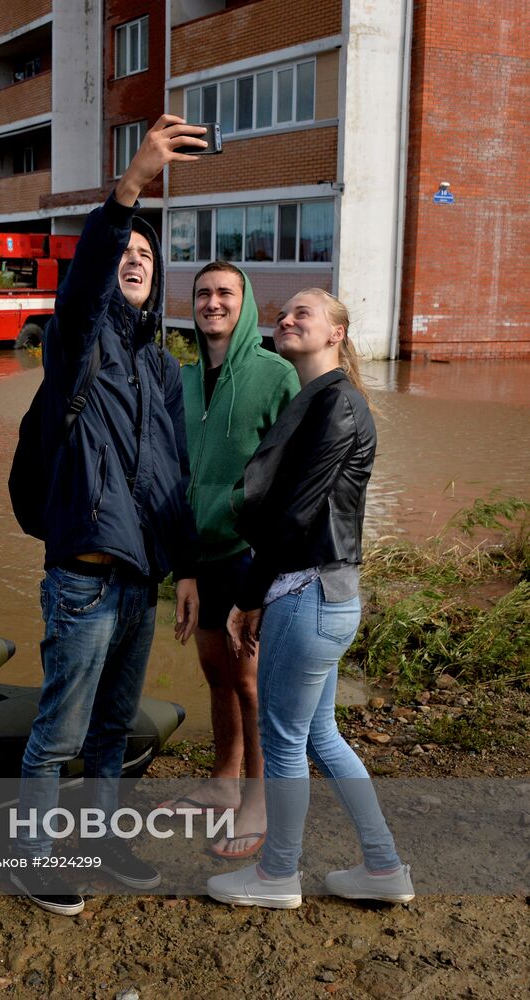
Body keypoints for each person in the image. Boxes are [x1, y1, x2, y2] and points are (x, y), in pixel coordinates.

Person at [11, 114, 203, 915]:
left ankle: (102, 843)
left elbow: (169, 475)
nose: (133, 261)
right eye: (127, 252)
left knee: (113, 734)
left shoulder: (160, 364)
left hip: (139, 585)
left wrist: (186, 565)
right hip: (85, 581)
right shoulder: (76, 342)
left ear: (158, 279)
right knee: (58, 733)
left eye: (146, 257)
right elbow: (85, 282)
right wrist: (129, 191)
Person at [206, 289, 414, 909]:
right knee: (321, 734)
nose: (287, 318)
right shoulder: (322, 399)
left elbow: (295, 516)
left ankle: (276, 876)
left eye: (305, 313)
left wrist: (248, 597)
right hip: (327, 594)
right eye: (285, 312)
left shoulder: (336, 405)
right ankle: (383, 867)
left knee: (286, 739)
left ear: (337, 335)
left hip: (308, 591)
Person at [165, 263, 299, 860]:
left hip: (251, 556)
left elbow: (297, 480)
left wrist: (272, 567)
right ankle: (223, 781)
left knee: (250, 684)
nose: (212, 303)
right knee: (217, 674)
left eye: (225, 293)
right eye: (203, 294)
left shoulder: (275, 375)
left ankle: (257, 799)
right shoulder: (185, 380)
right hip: (203, 554)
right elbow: (176, 478)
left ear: (245, 306)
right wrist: (184, 568)